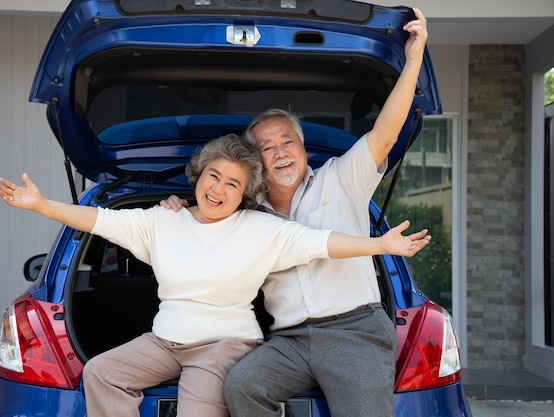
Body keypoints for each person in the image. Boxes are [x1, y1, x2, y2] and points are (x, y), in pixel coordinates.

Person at [0, 134, 429, 417]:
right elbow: (97, 219)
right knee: (102, 372)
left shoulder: (262, 229)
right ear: (198, 176)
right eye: (213, 176)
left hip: (223, 346)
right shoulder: (161, 222)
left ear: (244, 195)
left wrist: (379, 245)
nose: (218, 190)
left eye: (233, 185)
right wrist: (41, 204)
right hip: (165, 341)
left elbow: (323, 243)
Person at [160, 8, 429, 417]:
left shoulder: (342, 179)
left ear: (304, 150)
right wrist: (178, 208)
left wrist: (413, 60)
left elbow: (385, 132)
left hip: (354, 330)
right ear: (256, 161)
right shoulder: (245, 210)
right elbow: (205, 220)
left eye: (288, 141)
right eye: (268, 147)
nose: (281, 151)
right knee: (244, 386)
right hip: (289, 340)